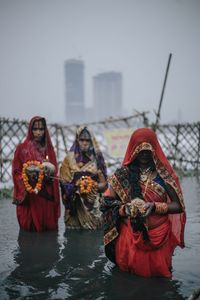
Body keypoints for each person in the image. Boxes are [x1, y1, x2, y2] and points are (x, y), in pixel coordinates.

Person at [100, 127, 186, 278]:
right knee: (127, 282)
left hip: (159, 239)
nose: (144, 154)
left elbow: (178, 206)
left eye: (148, 150)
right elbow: (105, 203)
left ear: (154, 150)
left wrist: (154, 207)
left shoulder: (165, 176)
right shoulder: (123, 174)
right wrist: (125, 209)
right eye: (141, 150)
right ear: (133, 150)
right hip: (130, 238)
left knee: (159, 283)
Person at [12, 116, 60, 231]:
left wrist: (48, 173)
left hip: (45, 197)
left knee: (48, 233)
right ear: (30, 130)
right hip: (29, 198)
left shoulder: (49, 150)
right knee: (29, 231)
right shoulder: (22, 149)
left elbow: (54, 172)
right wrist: (27, 176)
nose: (38, 132)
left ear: (45, 130)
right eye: (35, 129)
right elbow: (16, 172)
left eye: (41, 129)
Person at [60, 126, 107, 229]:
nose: (84, 143)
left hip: (93, 209)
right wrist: (76, 187)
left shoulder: (97, 159)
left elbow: (104, 185)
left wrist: (92, 185)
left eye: (87, 140)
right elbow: (63, 183)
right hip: (75, 211)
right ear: (77, 140)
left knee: (93, 241)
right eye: (82, 140)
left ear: (92, 141)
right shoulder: (69, 159)